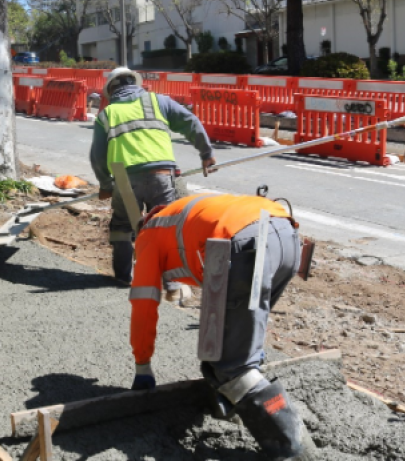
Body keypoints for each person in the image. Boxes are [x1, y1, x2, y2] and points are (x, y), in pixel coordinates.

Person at [129, 193, 316, 460]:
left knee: (232, 365)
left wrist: (142, 365)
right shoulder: (180, 214)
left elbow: (144, 305)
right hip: (286, 235)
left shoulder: (149, 237)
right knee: (238, 344)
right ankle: (232, 403)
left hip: (244, 245)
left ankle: (293, 448)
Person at [89, 67, 216, 285]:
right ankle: (172, 284)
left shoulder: (106, 115)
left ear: (110, 92)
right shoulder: (159, 102)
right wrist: (206, 153)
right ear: (136, 84)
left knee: (122, 228)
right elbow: (190, 122)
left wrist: (105, 185)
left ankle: (122, 278)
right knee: (165, 229)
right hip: (162, 174)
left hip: (125, 178)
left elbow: (97, 157)